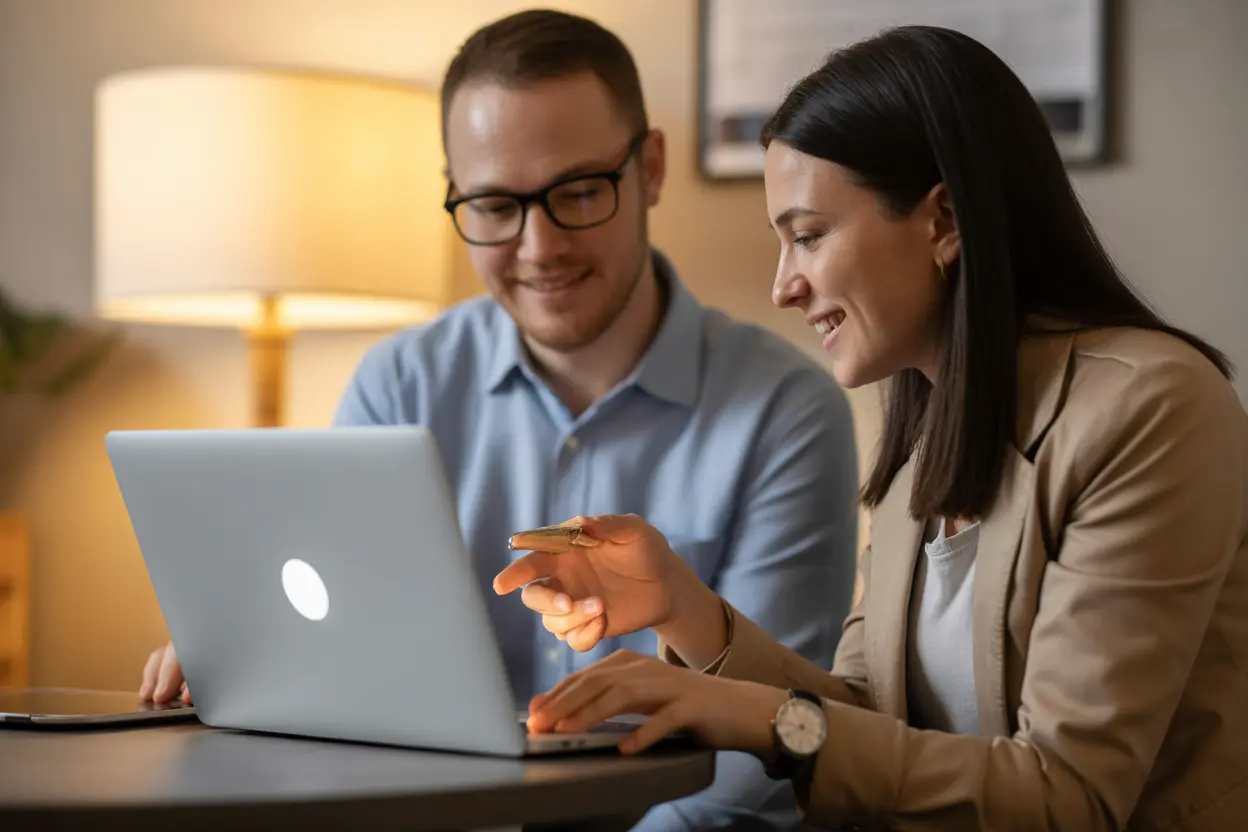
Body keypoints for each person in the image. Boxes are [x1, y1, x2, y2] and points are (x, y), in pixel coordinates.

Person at [493, 24, 1248, 831]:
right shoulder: (932, 429)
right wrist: (681, 604)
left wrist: (753, 717)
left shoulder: (1154, 409)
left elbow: (1069, 797)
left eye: (808, 236)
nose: (784, 285)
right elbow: (866, 716)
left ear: (944, 220)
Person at [138, 8, 861, 830]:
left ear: (650, 167)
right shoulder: (396, 386)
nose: (538, 246)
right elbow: (343, 696)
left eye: (579, 192)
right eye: (492, 205)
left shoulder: (788, 414)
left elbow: (763, 764)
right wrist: (252, 675)